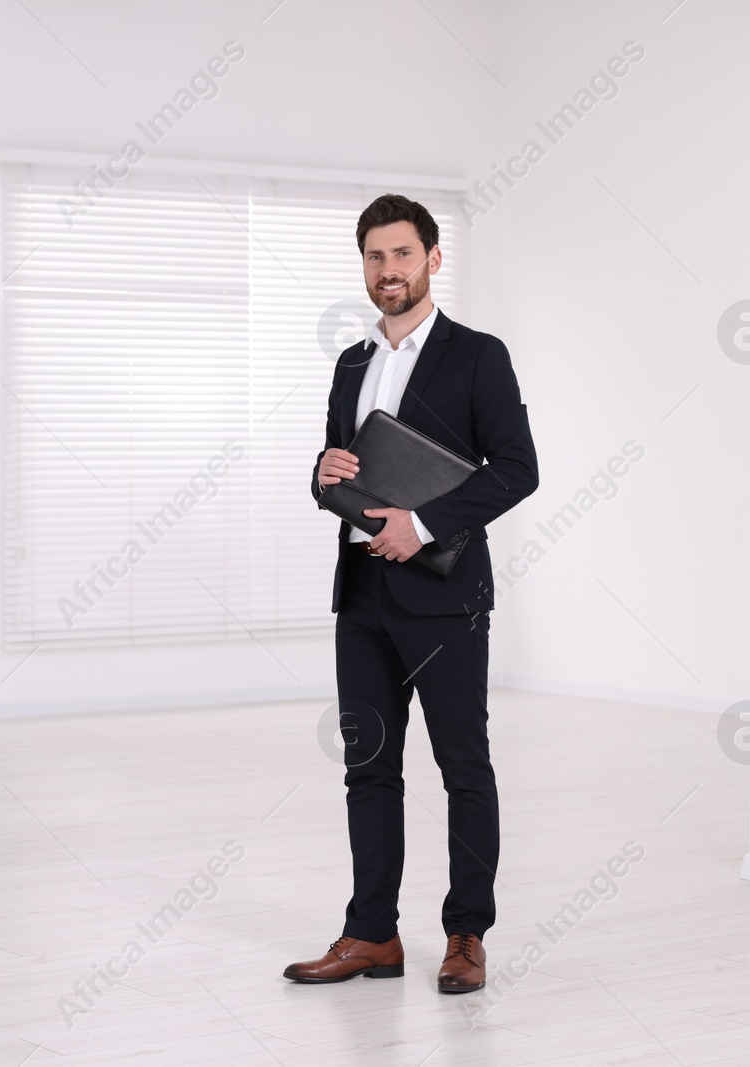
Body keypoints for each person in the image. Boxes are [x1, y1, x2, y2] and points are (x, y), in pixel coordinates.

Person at [284, 194, 538, 993]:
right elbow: (340, 472)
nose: (387, 270)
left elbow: (516, 468)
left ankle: (466, 934)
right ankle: (371, 934)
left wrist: (422, 525)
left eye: (401, 254)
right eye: (373, 256)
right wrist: (322, 476)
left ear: (433, 258)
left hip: (443, 594)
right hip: (361, 593)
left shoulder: (477, 355)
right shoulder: (351, 363)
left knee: (463, 766)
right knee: (368, 768)